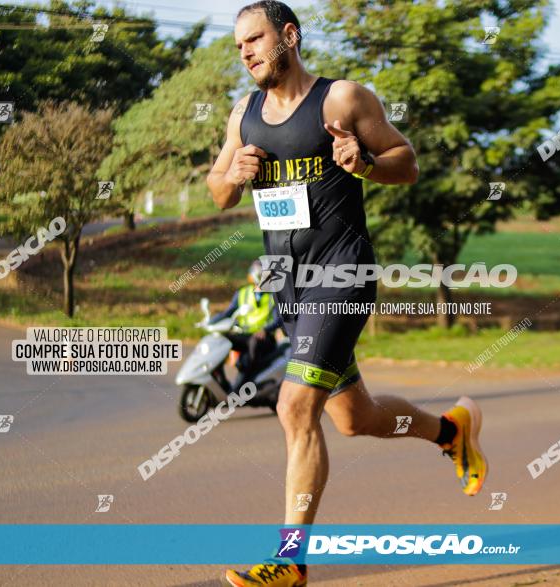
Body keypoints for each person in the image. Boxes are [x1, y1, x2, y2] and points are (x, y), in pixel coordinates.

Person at [206, 3, 487, 585]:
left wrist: (364, 164)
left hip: (343, 273)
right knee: (355, 419)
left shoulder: (343, 100)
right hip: (288, 285)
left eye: (255, 39)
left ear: (289, 35)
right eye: (239, 46)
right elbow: (218, 191)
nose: (247, 52)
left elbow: (405, 164)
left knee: (293, 407)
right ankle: (451, 432)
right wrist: (232, 177)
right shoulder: (243, 115)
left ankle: (290, 561)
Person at [211, 260, 281, 398]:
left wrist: (266, 330)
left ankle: (244, 385)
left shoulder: (274, 296)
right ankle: (218, 377)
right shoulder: (242, 293)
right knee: (220, 339)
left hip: (263, 339)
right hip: (243, 336)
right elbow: (227, 313)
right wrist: (210, 322)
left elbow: (278, 320)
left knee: (253, 344)